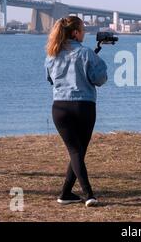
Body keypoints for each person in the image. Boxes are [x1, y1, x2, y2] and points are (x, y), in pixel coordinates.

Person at [45, 16, 108, 207]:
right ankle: (89, 194)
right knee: (78, 151)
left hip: (59, 108)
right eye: (83, 30)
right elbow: (100, 79)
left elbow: (50, 80)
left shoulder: (51, 54)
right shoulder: (87, 54)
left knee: (76, 152)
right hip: (83, 107)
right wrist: (98, 60)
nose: (85, 33)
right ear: (75, 33)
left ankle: (65, 194)